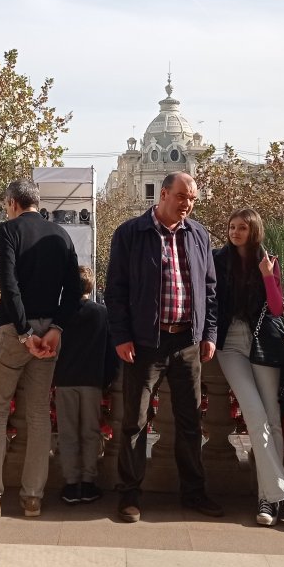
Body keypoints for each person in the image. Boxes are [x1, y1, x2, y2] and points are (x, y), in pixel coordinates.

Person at [106, 171, 221, 523]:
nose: (188, 204)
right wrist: (122, 335)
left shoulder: (198, 234)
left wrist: (209, 333)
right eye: (183, 196)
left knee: (190, 422)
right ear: (165, 194)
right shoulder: (131, 233)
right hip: (145, 343)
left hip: (187, 342)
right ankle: (129, 495)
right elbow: (116, 290)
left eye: (193, 199)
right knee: (135, 422)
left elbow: (210, 289)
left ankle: (194, 493)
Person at [0, 178, 82, 520]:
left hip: (14, 331)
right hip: (49, 332)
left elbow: (9, 284)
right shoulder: (62, 236)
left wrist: (24, 331)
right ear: (38, 203)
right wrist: (55, 328)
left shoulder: (8, 231)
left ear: (12, 203)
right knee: (38, 413)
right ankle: (32, 498)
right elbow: (73, 289)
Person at [214, 208, 284, 529]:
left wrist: (268, 274)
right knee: (255, 416)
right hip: (230, 345)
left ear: (254, 230)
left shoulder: (267, 260)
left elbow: (275, 308)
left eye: (242, 227)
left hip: (263, 345)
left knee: (273, 418)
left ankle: (267, 499)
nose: (235, 232)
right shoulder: (218, 260)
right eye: (232, 226)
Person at [53, 265, 117, 505]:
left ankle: (71, 483)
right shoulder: (102, 314)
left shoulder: (60, 313)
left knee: (68, 434)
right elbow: (111, 351)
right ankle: (89, 482)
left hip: (65, 380)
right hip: (92, 380)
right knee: (91, 433)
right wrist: (107, 378)